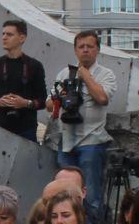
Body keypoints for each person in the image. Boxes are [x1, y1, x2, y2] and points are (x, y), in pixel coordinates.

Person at [48, 29, 116, 206]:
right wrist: (61, 96)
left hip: (92, 141)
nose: (85, 50)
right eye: (81, 46)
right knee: (64, 194)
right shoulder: (64, 74)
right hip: (67, 141)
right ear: (75, 50)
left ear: (98, 49)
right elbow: (49, 105)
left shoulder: (106, 74)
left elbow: (102, 98)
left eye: (90, 46)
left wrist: (86, 77)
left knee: (91, 194)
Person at [0, 18, 48, 140]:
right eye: (3, 34)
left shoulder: (35, 66)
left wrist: (25, 103)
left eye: (9, 34)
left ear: (22, 38)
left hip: (26, 129)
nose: (4, 37)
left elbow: (43, 101)